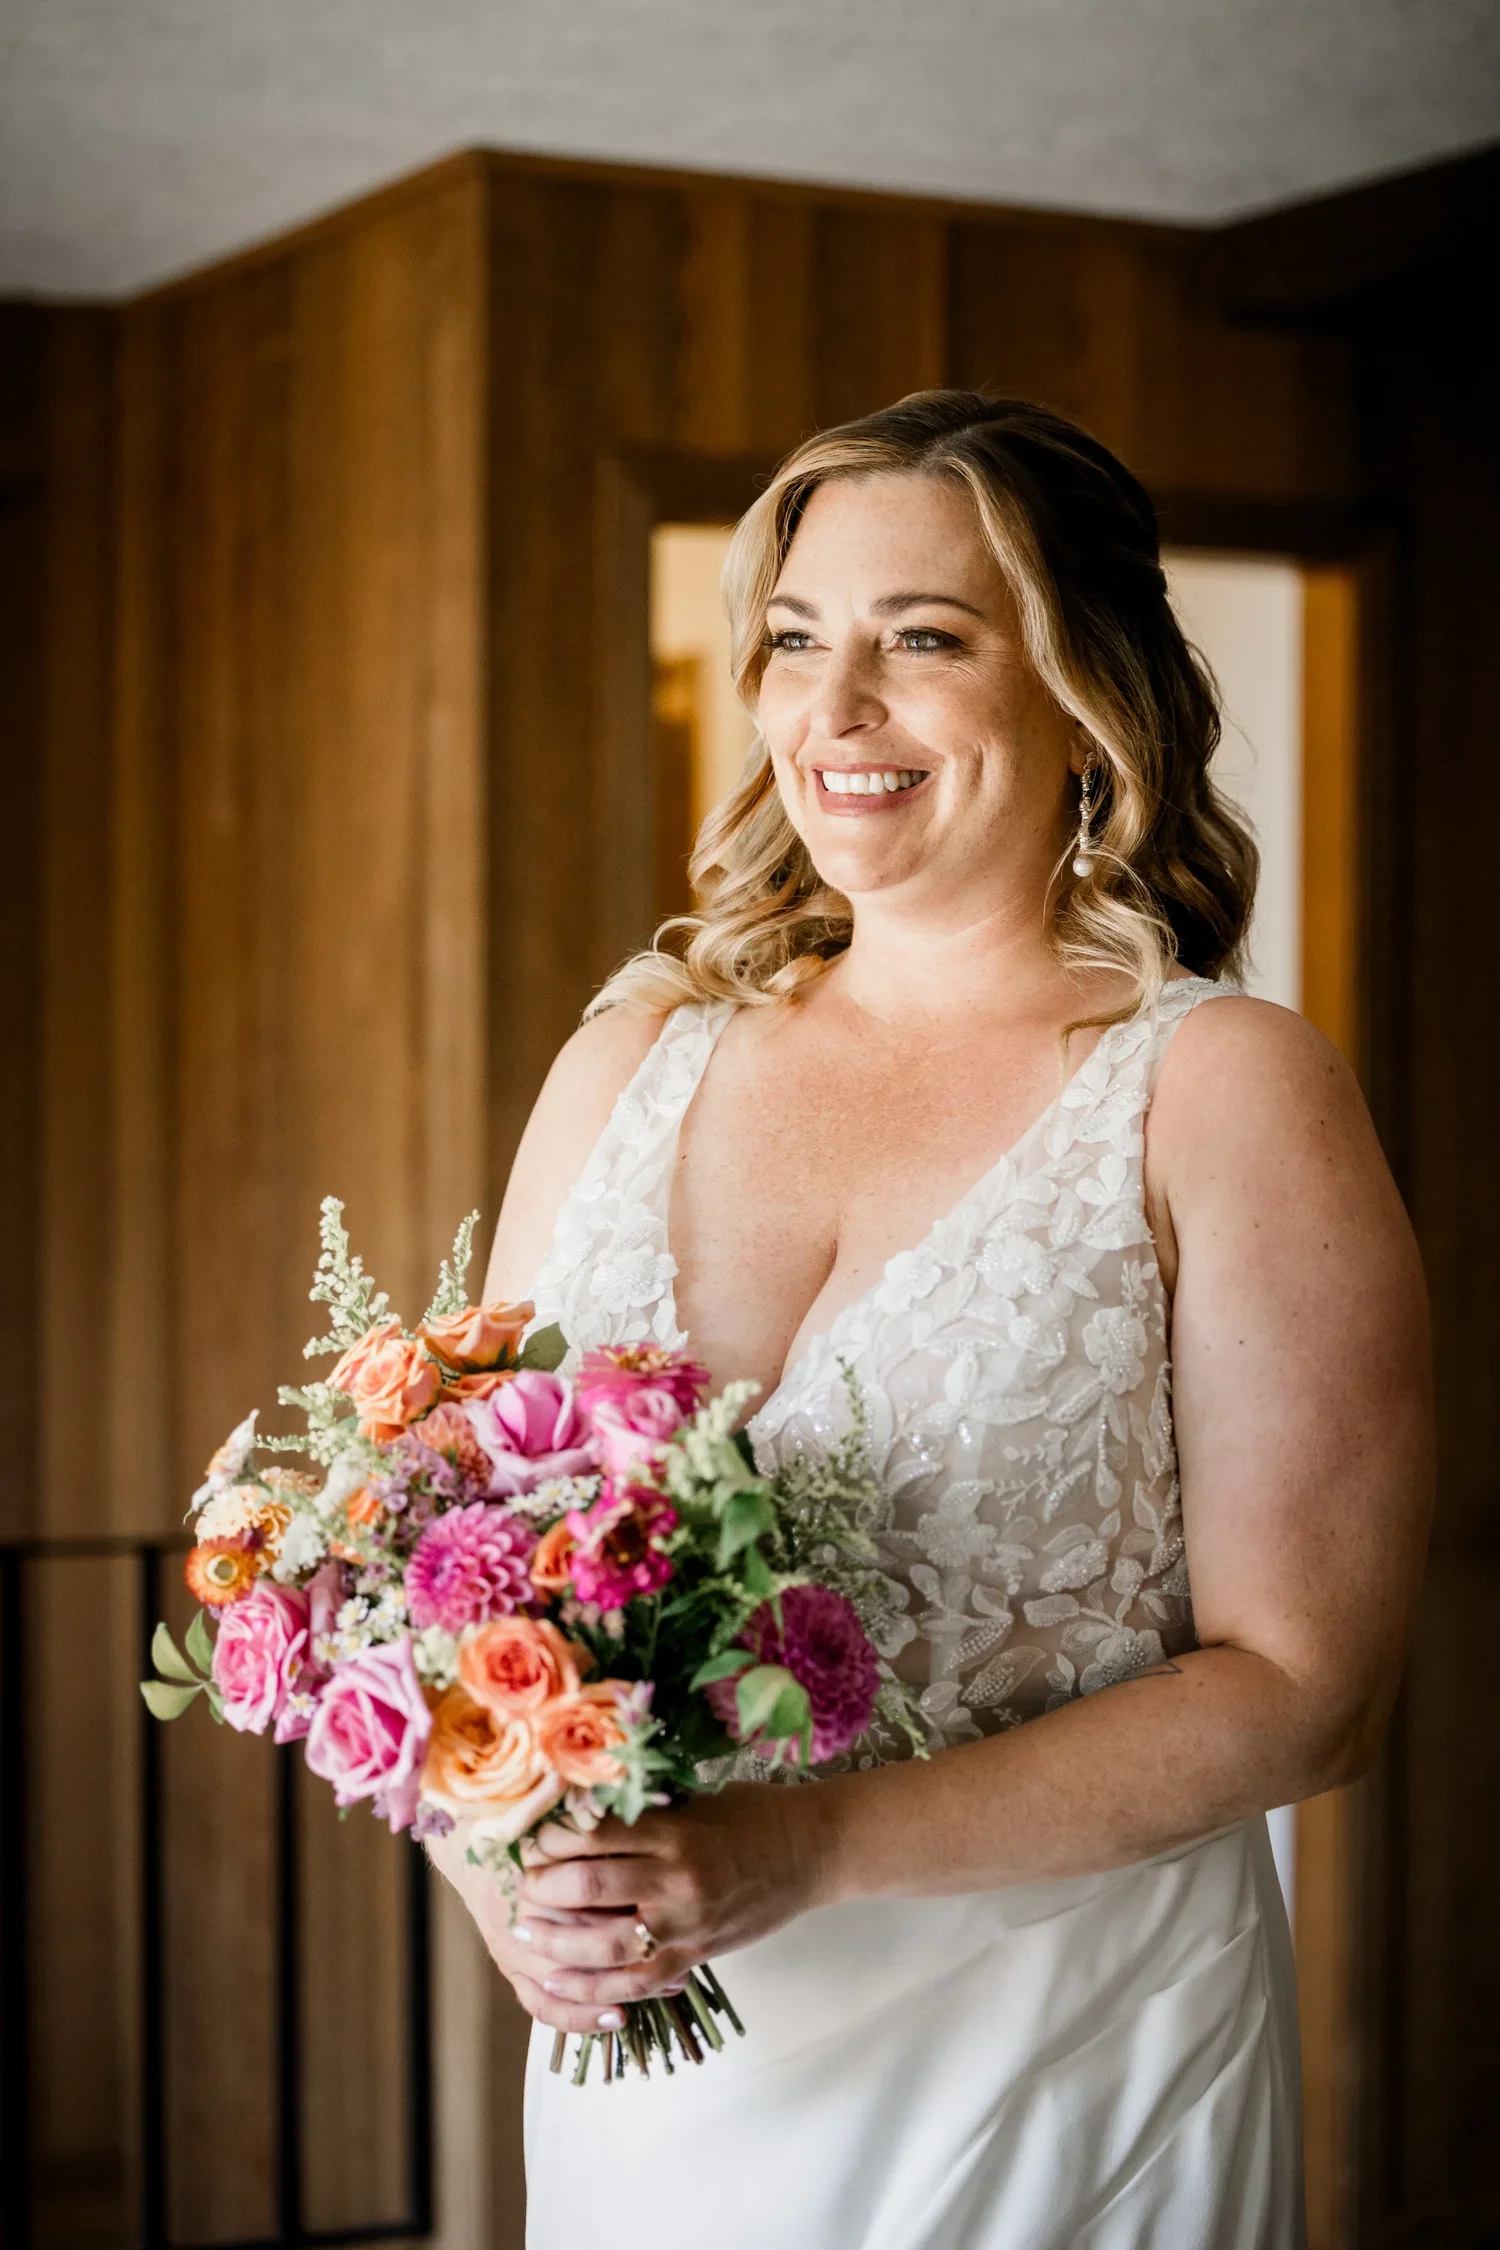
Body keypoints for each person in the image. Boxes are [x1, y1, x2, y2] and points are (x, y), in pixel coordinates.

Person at [428, 391, 1432, 2248]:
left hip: (1059, 2052)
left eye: (926, 640)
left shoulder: (1223, 1090)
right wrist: (512, 1880)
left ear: (1087, 697)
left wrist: (792, 1851)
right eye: (798, 641)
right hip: (661, 2072)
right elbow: (463, 1557)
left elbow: (1311, 1689)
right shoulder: (629, 1056)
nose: (836, 708)